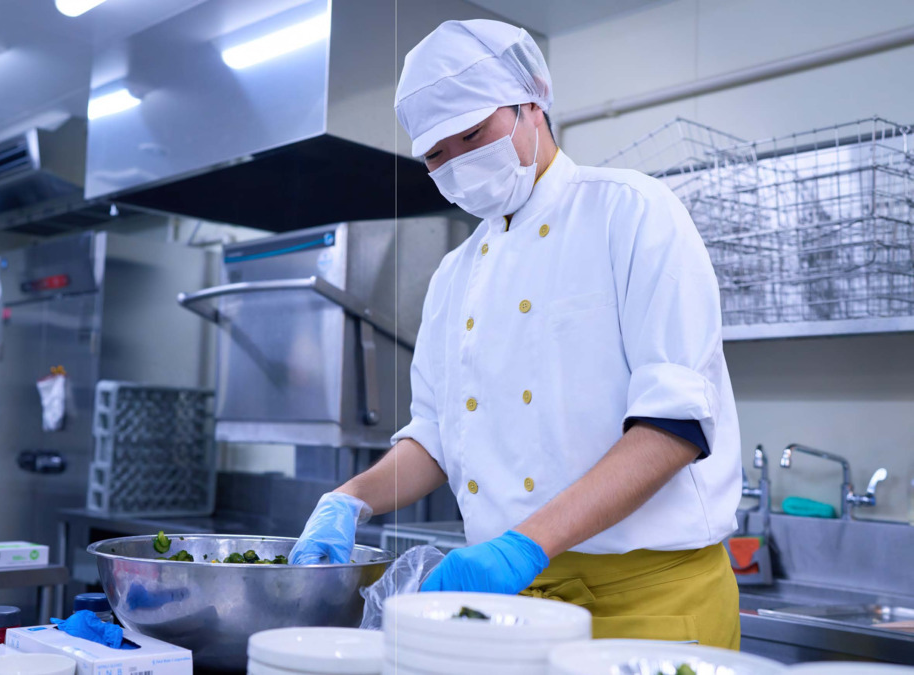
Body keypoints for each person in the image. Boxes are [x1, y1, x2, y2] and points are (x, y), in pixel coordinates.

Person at [290, 19, 743, 649]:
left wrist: (522, 546)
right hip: (513, 610)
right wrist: (350, 498)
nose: (459, 163)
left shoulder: (632, 211)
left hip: (649, 603)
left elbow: (675, 426)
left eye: (473, 135)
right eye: (436, 155)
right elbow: (436, 438)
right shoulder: (453, 275)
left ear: (532, 102)